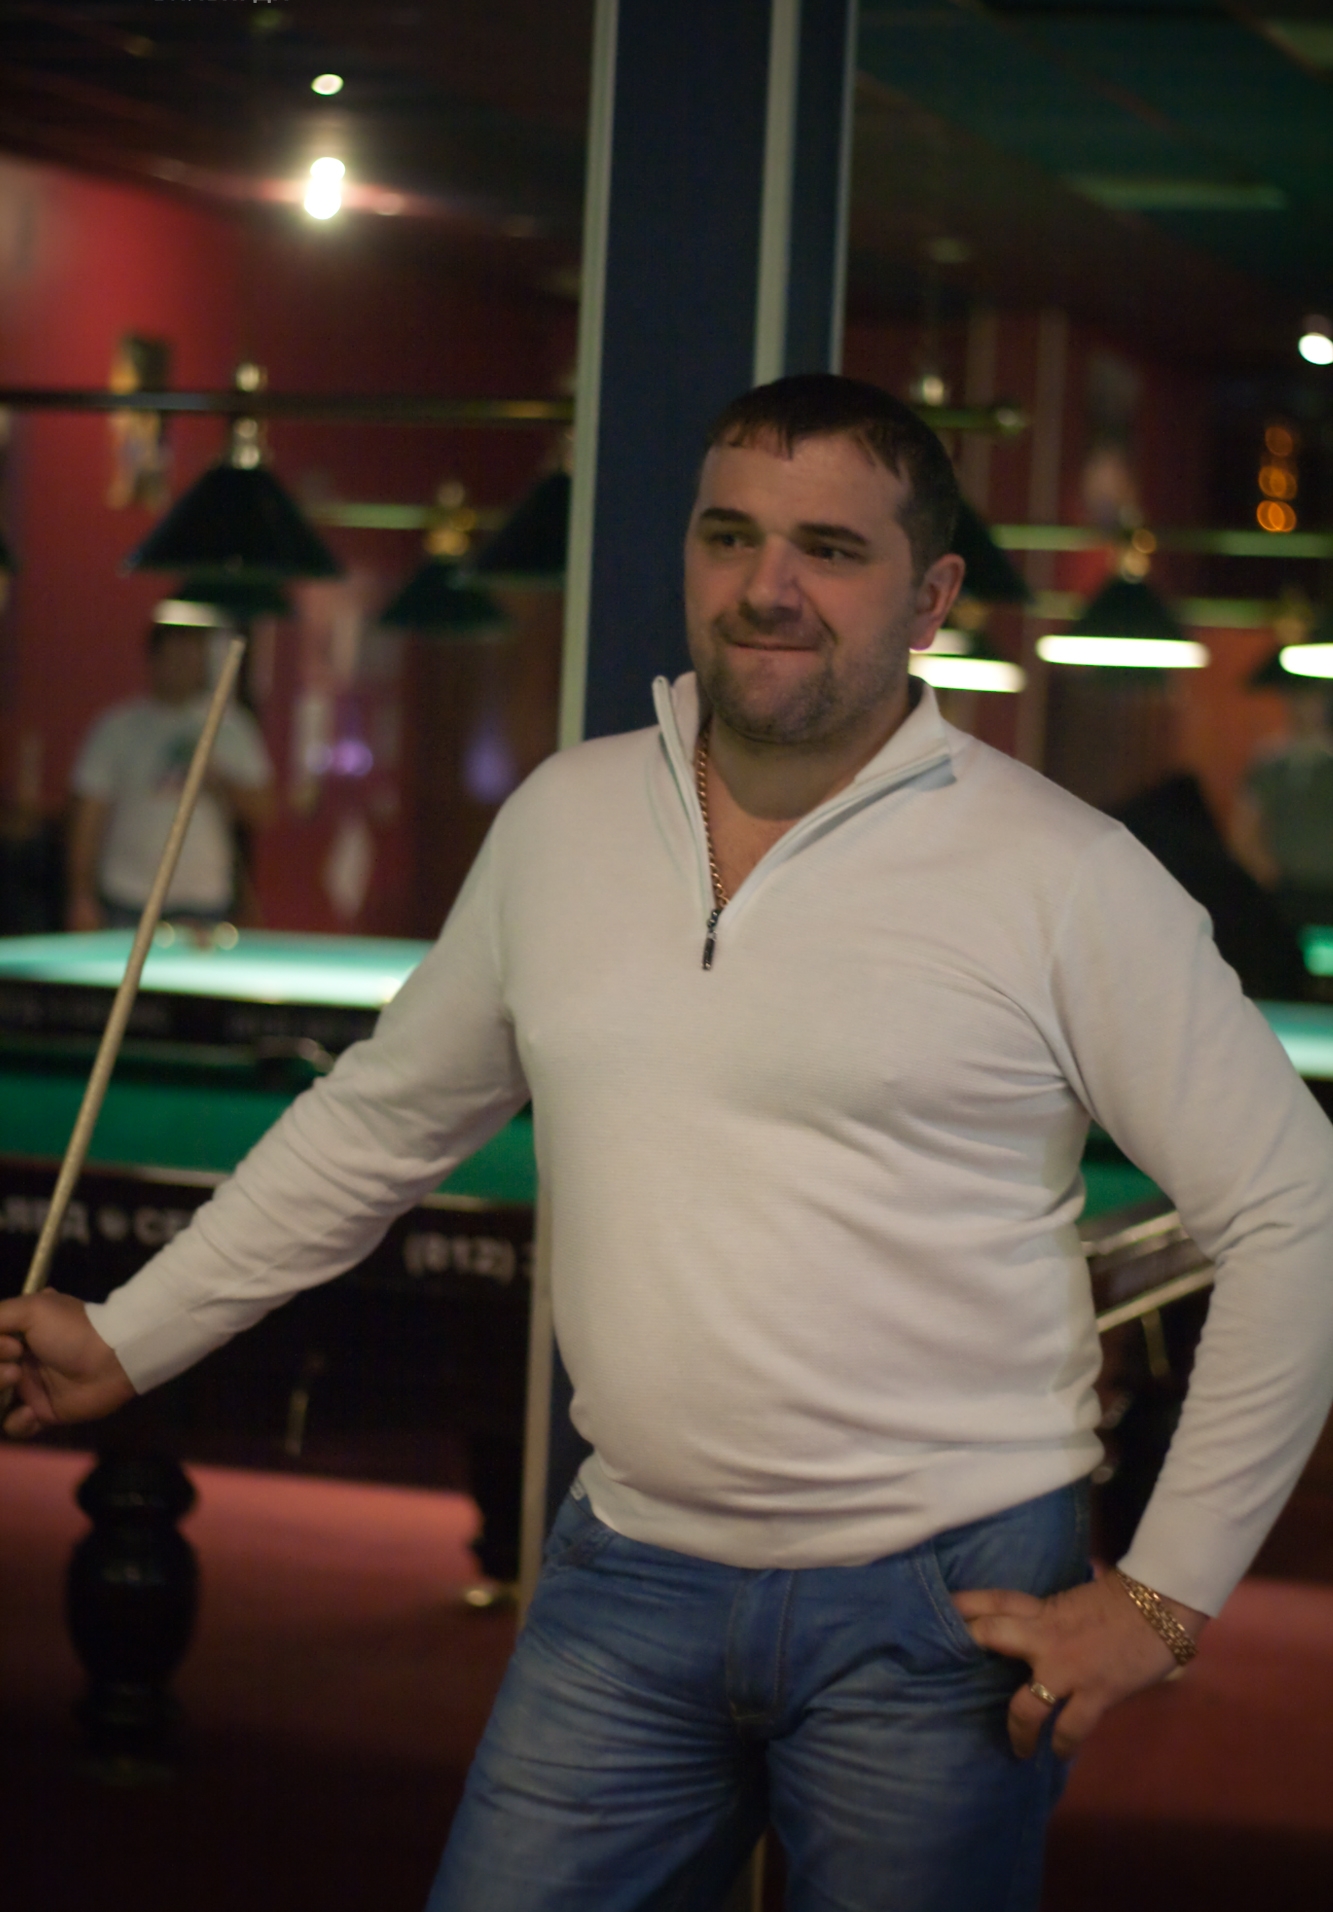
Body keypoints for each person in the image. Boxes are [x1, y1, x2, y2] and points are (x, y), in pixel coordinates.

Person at [5, 375, 1333, 1912]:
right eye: (731, 535)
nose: (768, 587)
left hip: (946, 1603)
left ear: (931, 597)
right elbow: (378, 1126)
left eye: (830, 549)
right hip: (628, 1568)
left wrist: (1163, 1599)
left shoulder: (1063, 874)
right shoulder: (562, 822)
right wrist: (134, 1335)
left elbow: (1295, 1207)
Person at [66, 619, 274, 931]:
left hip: (206, 902)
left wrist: (217, 780)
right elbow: (88, 817)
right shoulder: (117, 728)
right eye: (175, 657)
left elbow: (264, 811)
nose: (184, 667)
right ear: (154, 660)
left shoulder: (231, 727)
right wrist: (81, 895)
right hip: (128, 898)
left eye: (192, 657)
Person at [1231, 681, 1333, 935]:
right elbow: (1244, 828)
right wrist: (1268, 876)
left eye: (1316, 699)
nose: (1307, 708)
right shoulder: (1272, 762)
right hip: (1284, 892)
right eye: (1299, 698)